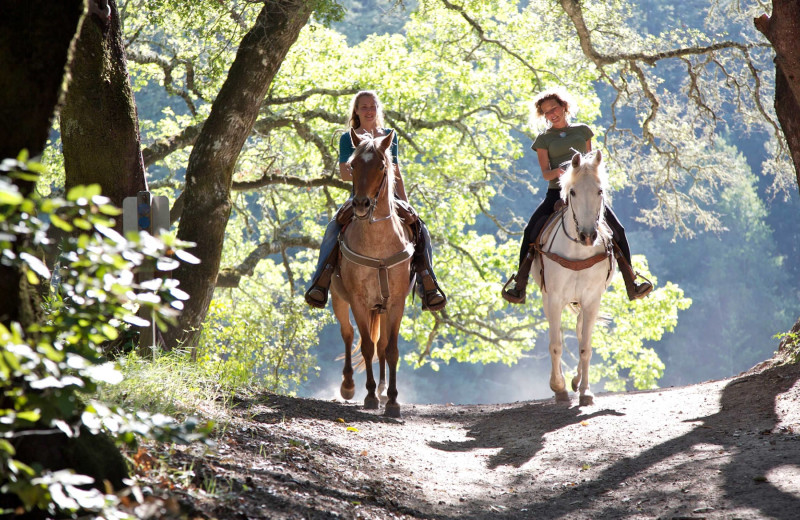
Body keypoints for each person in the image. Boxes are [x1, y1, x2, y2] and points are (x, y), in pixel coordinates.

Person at [501, 87, 653, 303]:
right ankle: (520, 284)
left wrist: (585, 175)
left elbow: (590, 163)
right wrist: (565, 171)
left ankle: (632, 281)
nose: (551, 114)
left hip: (585, 192)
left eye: (554, 108)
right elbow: (546, 174)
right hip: (557, 193)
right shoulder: (543, 139)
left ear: (564, 107)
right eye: (546, 112)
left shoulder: (582, 131)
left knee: (618, 229)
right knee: (530, 231)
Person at [304, 90, 447, 311]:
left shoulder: (389, 135)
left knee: (421, 228)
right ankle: (320, 282)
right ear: (356, 110)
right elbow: (344, 174)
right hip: (360, 196)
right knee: (333, 227)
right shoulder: (348, 138)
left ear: (377, 109)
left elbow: (396, 171)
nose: (369, 110)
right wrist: (365, 171)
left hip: (389, 197)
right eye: (364, 106)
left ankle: (427, 282)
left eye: (372, 106)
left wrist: (406, 202)